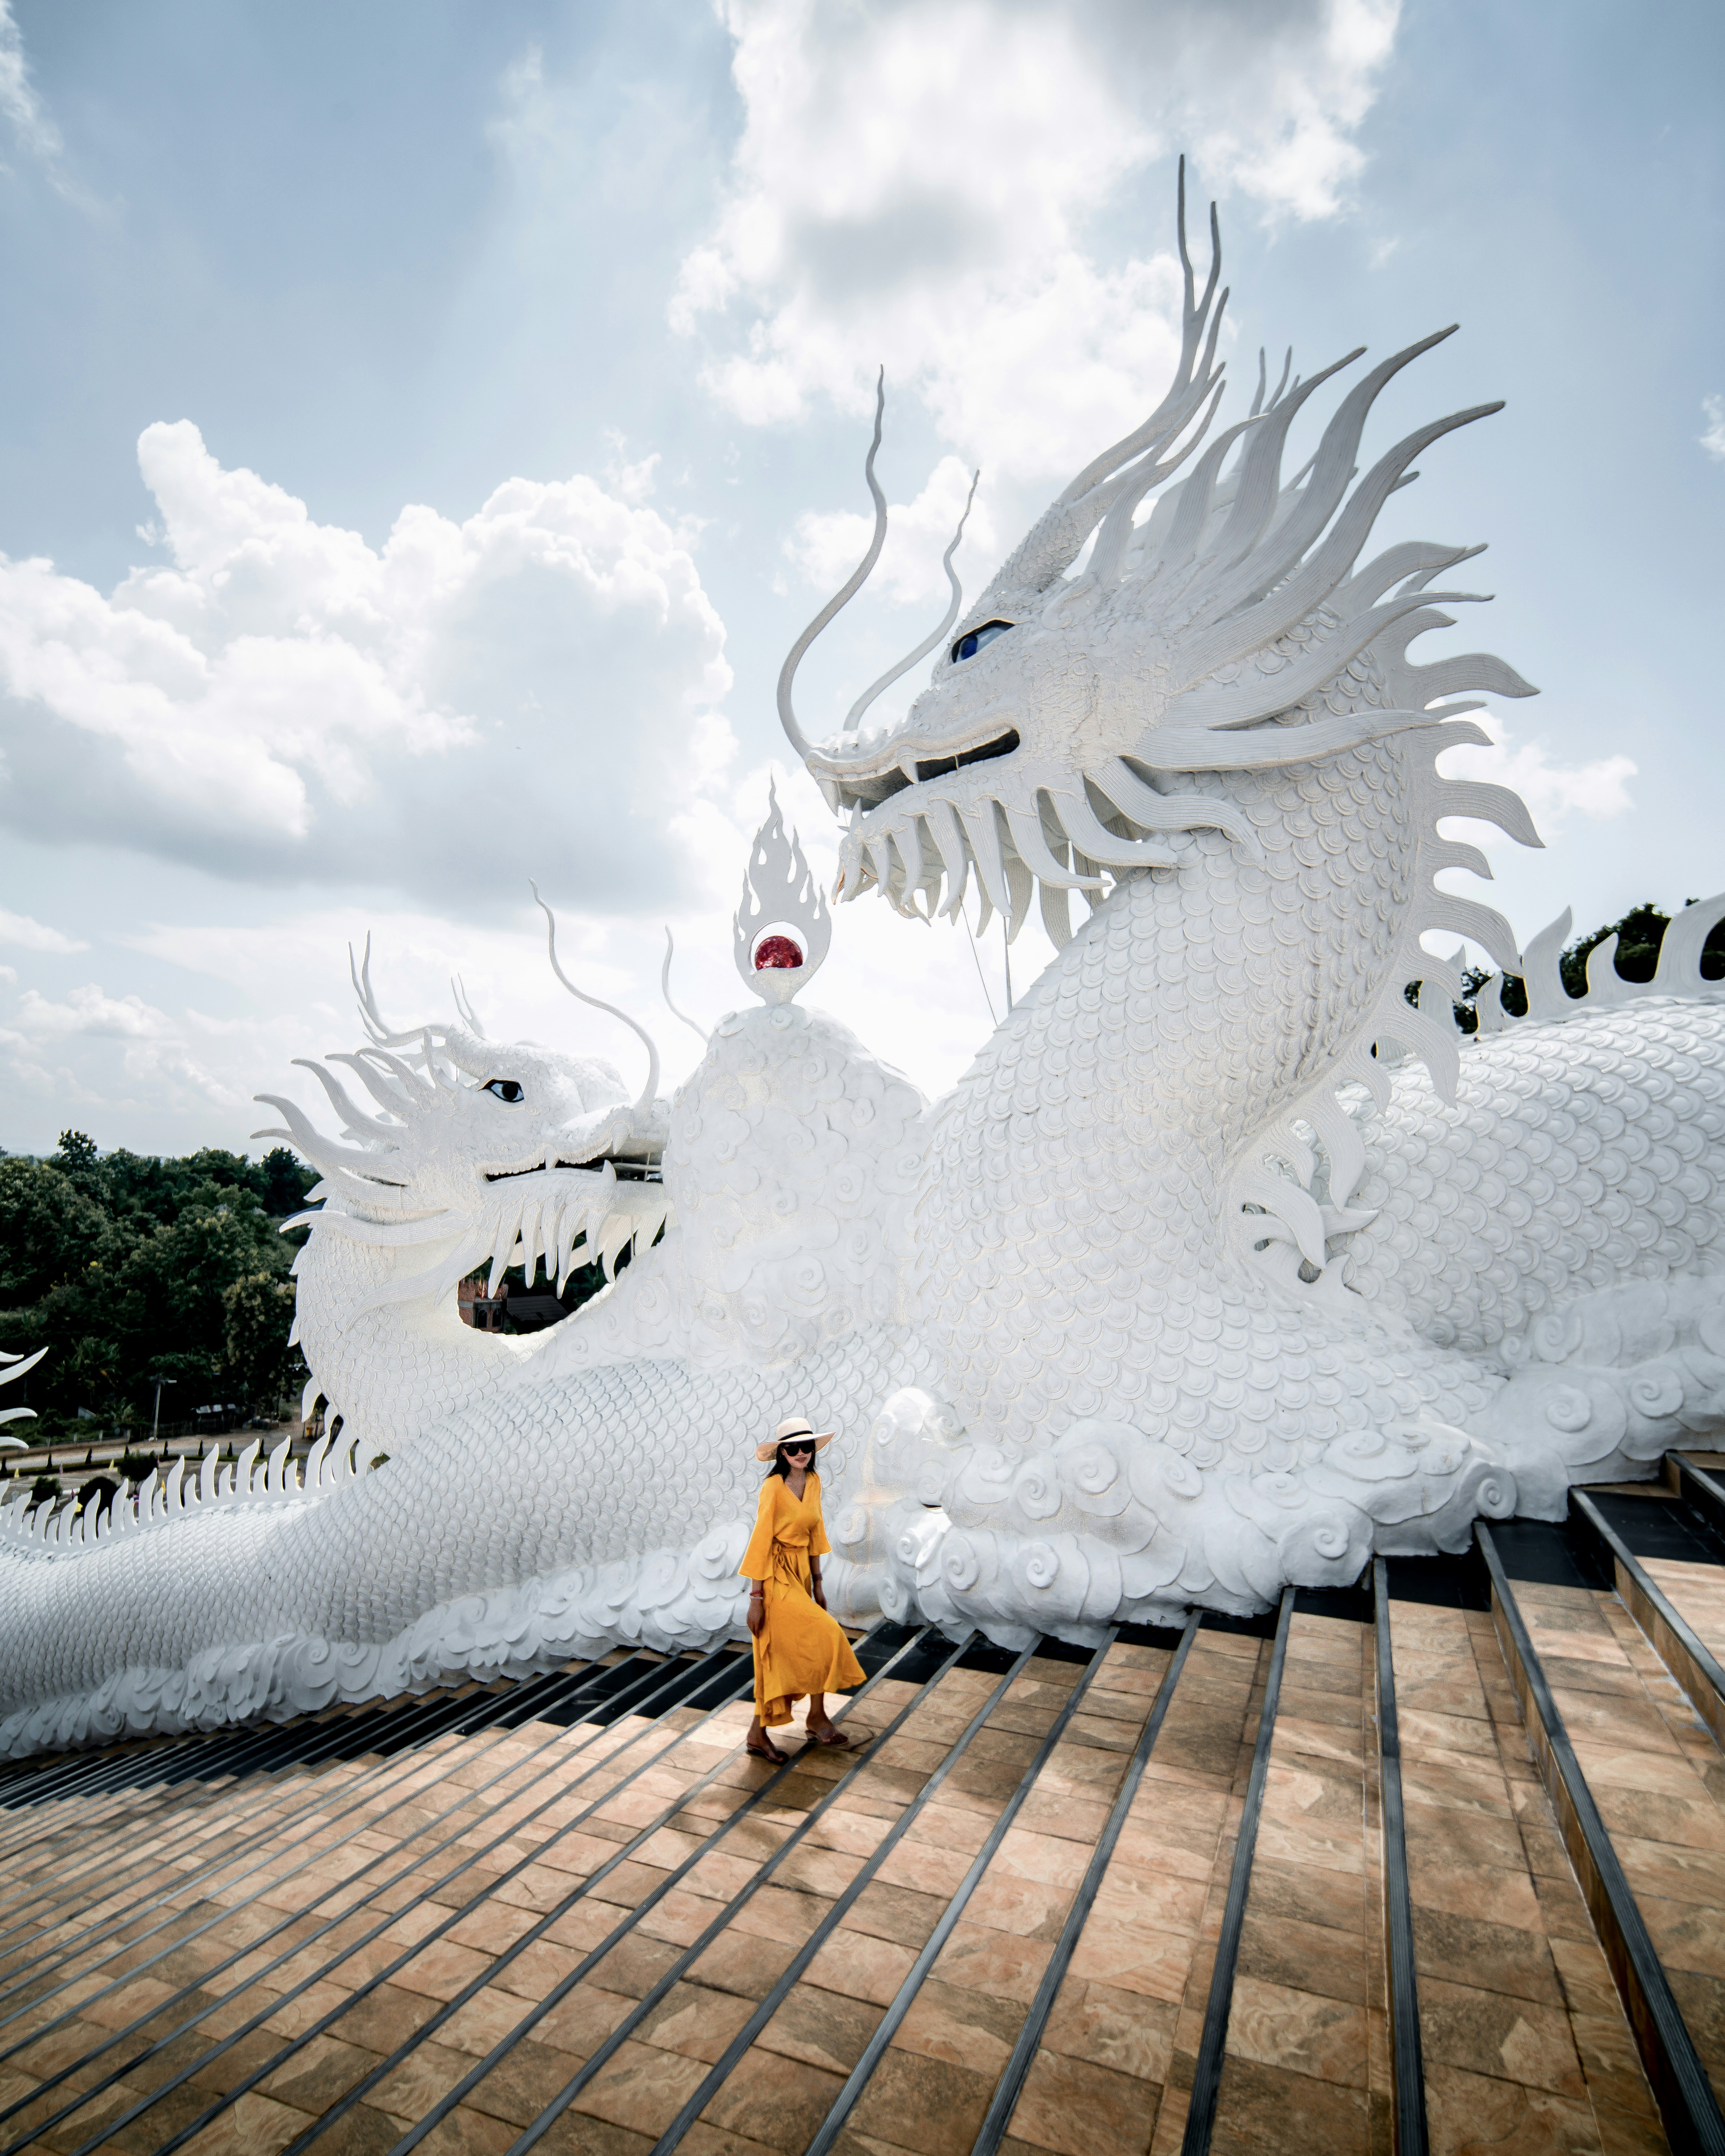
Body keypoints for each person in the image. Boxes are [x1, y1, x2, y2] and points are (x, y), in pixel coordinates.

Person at [741, 1415, 866, 1763]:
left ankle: (812, 1718)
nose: (801, 1453)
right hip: (775, 1577)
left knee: (805, 1645)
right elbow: (761, 1541)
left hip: (802, 1574)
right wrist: (756, 1598)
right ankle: (769, 1730)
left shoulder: (814, 1481)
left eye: (806, 1446)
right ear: (782, 1453)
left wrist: (820, 1583)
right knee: (822, 1635)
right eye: (793, 1448)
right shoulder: (772, 1489)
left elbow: (815, 1532)